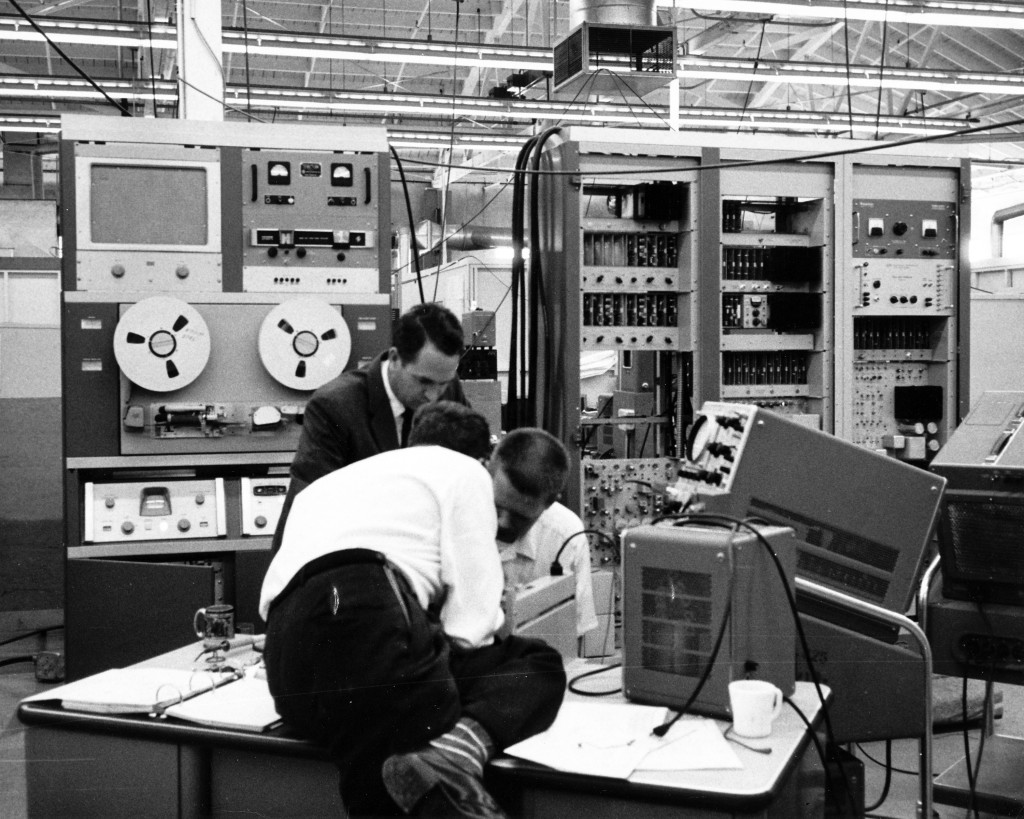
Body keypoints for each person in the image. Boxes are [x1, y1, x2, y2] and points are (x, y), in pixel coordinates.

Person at [260, 402, 566, 818]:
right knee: (536, 663)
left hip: (288, 669)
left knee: (372, 742)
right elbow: (471, 628)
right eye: (500, 508)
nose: (502, 520)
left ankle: (431, 765)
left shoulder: (334, 485)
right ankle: (456, 754)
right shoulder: (467, 474)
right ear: (486, 463)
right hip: (369, 611)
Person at [272, 302, 469, 551]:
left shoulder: (448, 388)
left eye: (442, 384)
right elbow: (306, 507)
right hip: (354, 552)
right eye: (424, 382)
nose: (433, 396)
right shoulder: (335, 406)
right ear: (396, 358)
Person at [490, 431, 599, 639]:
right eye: (496, 507)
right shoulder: (454, 514)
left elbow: (573, 635)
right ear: (489, 473)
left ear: (548, 504)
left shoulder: (565, 536)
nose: (502, 523)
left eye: (518, 517)